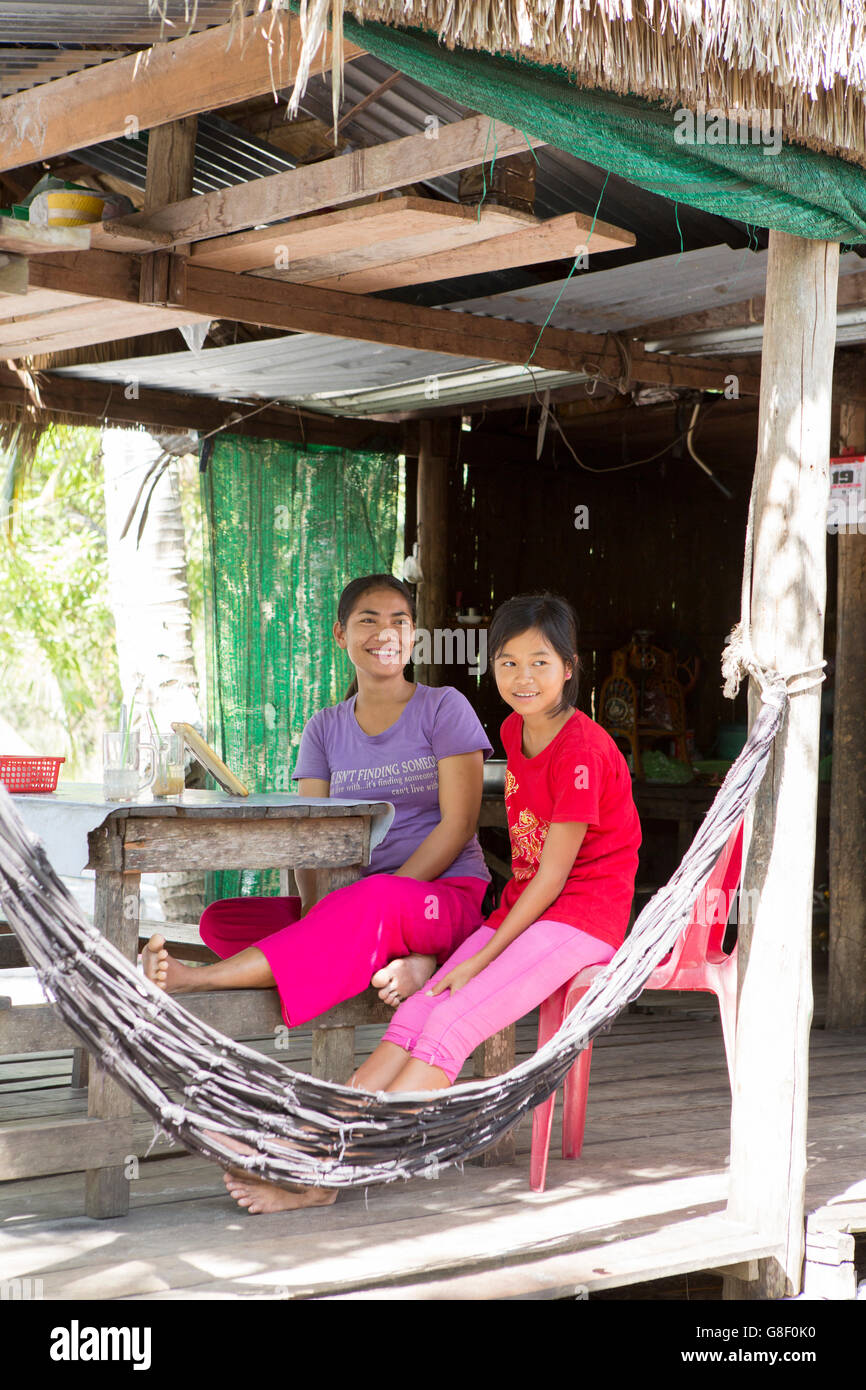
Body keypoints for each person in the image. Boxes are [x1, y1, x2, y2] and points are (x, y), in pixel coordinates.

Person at [221, 590, 642, 1214]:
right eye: (508, 663)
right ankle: (313, 1144)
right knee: (413, 1014)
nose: (523, 679)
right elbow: (530, 884)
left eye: (541, 663)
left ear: (571, 667)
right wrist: (479, 950)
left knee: (448, 1025)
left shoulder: (580, 749)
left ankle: (329, 1178)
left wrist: (478, 957)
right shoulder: (512, 729)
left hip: (580, 919)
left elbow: (553, 880)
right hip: (527, 911)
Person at [143, 572, 492, 1070]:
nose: (385, 633)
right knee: (221, 920)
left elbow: (458, 825)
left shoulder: (443, 708)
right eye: (367, 621)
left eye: (399, 621)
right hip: (358, 900)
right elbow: (309, 834)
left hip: (445, 895)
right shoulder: (324, 728)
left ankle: (198, 979)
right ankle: (410, 961)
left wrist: (377, 899)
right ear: (340, 635)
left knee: (371, 902)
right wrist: (315, 908)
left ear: (413, 635)